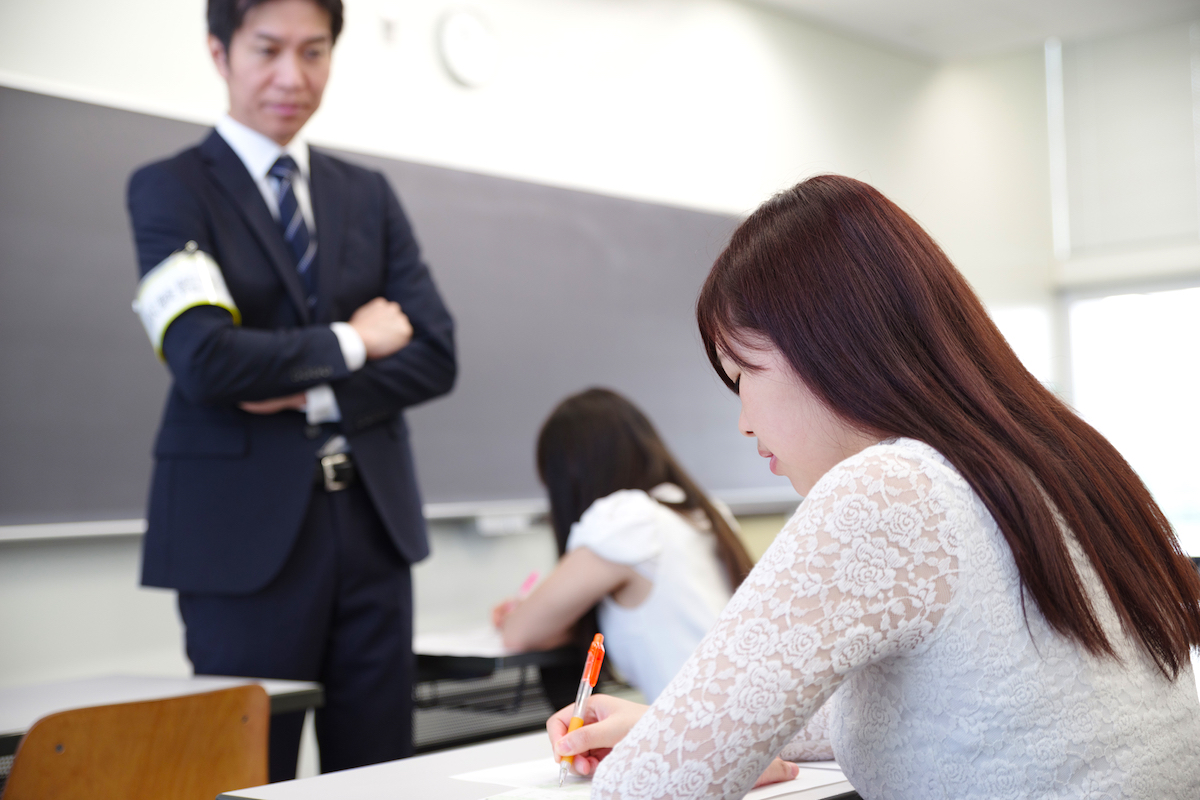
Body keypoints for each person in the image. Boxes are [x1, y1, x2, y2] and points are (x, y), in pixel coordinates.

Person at [546, 175, 1200, 799]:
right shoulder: (1059, 461)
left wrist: (677, 750)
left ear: (825, 345)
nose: (743, 421)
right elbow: (931, 708)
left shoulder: (888, 489)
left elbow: (650, 788)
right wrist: (673, 729)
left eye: (742, 374)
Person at [126, 0, 455, 780]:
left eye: (313, 52)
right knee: (249, 772)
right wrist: (354, 342)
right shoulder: (170, 189)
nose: (291, 76)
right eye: (267, 49)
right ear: (220, 52)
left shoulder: (367, 194)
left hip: (373, 528)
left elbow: (435, 354)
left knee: (380, 776)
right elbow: (206, 362)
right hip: (239, 538)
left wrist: (310, 393)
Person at [492, 388, 754, 703]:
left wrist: (520, 613)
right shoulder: (700, 512)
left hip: (704, 723)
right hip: (747, 710)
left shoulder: (628, 519)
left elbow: (518, 634)